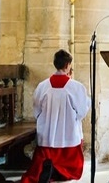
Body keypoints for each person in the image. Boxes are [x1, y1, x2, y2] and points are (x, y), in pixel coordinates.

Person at [21, 49, 90, 183]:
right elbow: (81, 112)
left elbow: (36, 110)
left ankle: (50, 168)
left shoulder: (42, 86)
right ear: (67, 65)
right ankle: (58, 171)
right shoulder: (76, 87)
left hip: (47, 136)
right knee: (73, 170)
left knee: (38, 166)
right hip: (68, 136)